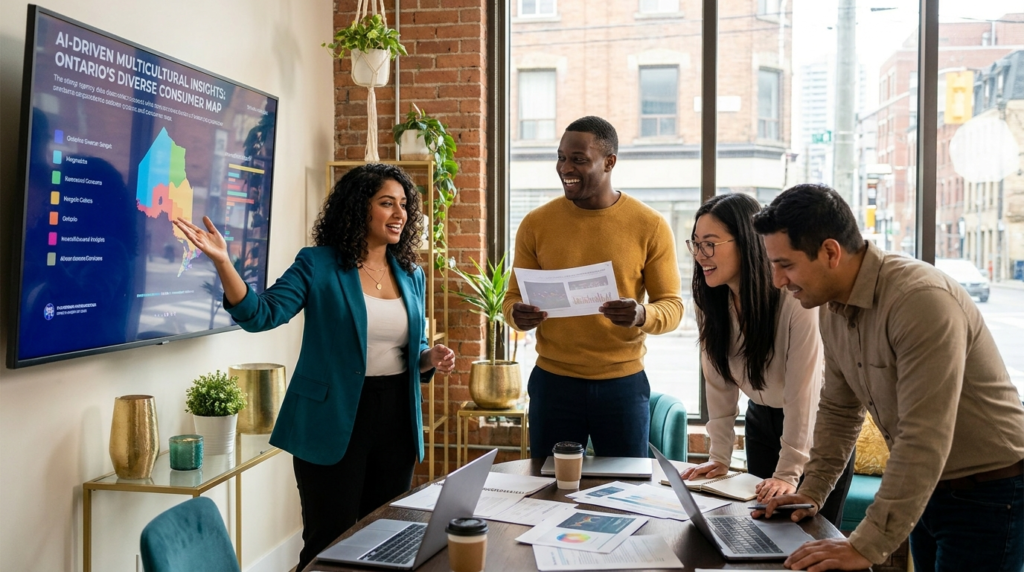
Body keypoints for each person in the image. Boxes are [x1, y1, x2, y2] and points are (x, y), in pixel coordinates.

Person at [174, 163, 456, 572]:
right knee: (329, 542)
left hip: (395, 418)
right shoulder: (317, 265)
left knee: (386, 537)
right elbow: (261, 314)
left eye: (404, 205)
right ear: (359, 208)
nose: (400, 214)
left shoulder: (411, 273)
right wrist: (224, 263)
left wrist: (429, 357)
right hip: (332, 419)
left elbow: (413, 345)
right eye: (387, 203)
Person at [751, 184, 1024, 572]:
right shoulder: (830, 306)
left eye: (786, 265)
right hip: (929, 488)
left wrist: (864, 545)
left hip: (991, 493)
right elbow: (839, 410)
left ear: (831, 252)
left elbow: (923, 435)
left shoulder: (919, 299)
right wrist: (811, 492)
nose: (777, 280)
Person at [502, 116, 683, 459]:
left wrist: (641, 313)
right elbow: (512, 297)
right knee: (549, 487)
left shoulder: (650, 225)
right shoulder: (536, 223)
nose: (565, 168)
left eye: (578, 159)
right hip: (553, 383)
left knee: (626, 490)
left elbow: (672, 305)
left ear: (609, 162)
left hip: (623, 386)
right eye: (561, 157)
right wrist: (517, 315)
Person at [680, 193, 853, 528]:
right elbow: (719, 386)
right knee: (766, 535)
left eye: (711, 244)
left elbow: (803, 392)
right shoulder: (710, 301)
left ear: (747, 242)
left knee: (812, 540)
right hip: (762, 423)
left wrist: (789, 472)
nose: (701, 256)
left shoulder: (795, 298)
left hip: (815, 430)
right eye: (696, 244)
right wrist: (719, 458)